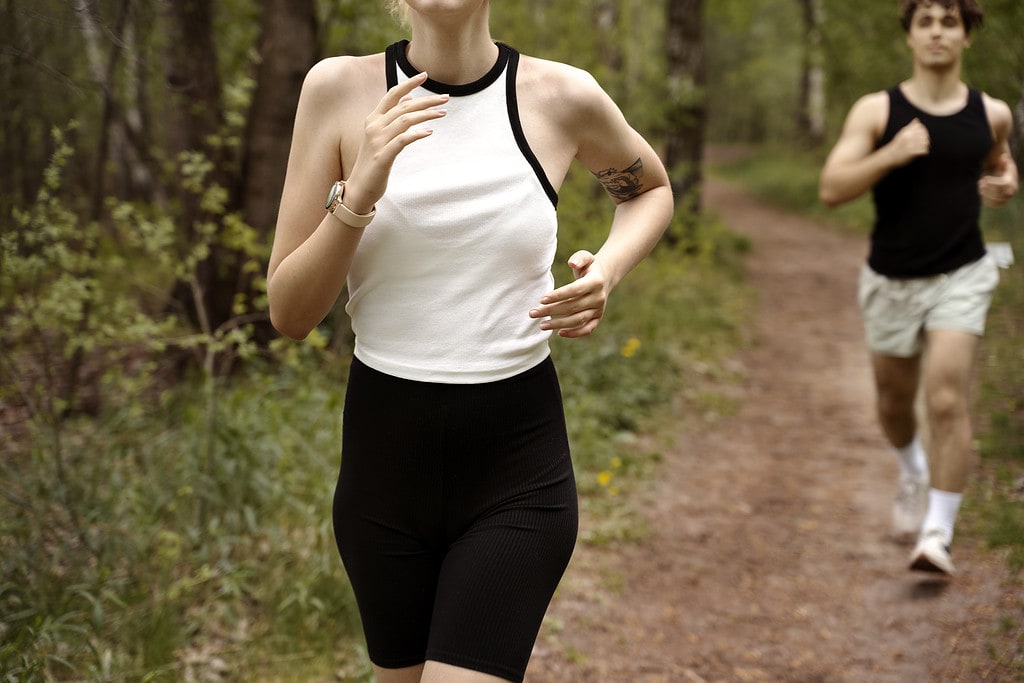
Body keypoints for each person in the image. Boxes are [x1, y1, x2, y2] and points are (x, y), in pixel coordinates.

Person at [266, 1, 674, 680]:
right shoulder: (337, 90)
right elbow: (289, 312)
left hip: (516, 465)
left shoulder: (561, 95)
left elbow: (649, 189)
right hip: (382, 470)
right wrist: (360, 190)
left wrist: (607, 268)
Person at [819, 0, 1018, 576]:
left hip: (962, 273)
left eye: (949, 22)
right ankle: (912, 470)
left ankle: (938, 532)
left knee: (948, 398)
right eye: (925, 22)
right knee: (893, 403)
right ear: (909, 36)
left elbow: (1001, 165)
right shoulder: (877, 110)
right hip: (890, 279)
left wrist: (1005, 183)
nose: (937, 32)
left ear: (966, 37)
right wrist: (893, 152)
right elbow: (832, 188)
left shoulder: (992, 113)